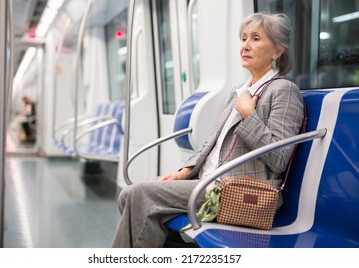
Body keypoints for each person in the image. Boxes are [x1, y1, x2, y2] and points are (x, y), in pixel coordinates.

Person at [111, 12, 305, 248]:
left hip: (240, 192)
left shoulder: (284, 90)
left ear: (277, 50)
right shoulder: (239, 91)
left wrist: (249, 115)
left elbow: (279, 158)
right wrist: (185, 170)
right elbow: (211, 143)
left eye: (255, 39)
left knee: (142, 195)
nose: (245, 45)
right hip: (209, 181)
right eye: (243, 38)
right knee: (128, 194)